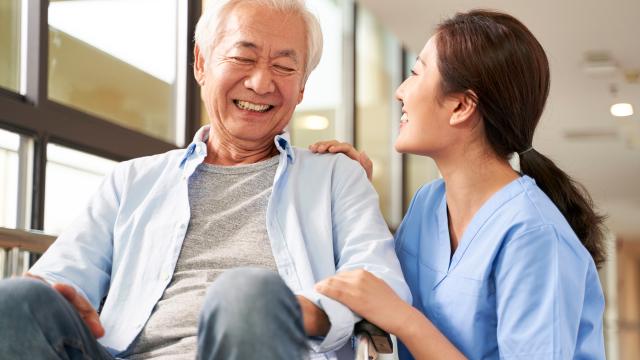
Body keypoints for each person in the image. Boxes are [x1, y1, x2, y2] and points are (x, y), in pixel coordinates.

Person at [0, 1, 410, 359]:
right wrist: (53, 294)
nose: (261, 83)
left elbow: (379, 277)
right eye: (243, 58)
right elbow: (61, 276)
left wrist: (295, 309)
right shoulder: (132, 181)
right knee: (17, 299)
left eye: (284, 67)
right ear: (201, 62)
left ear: (302, 87)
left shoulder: (335, 175)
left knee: (247, 292)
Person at [311, 10, 606, 359]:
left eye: (415, 73)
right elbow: (374, 287)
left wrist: (405, 321)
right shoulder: (427, 204)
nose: (400, 92)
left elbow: (394, 309)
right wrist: (353, 201)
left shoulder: (534, 235)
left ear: (462, 106)